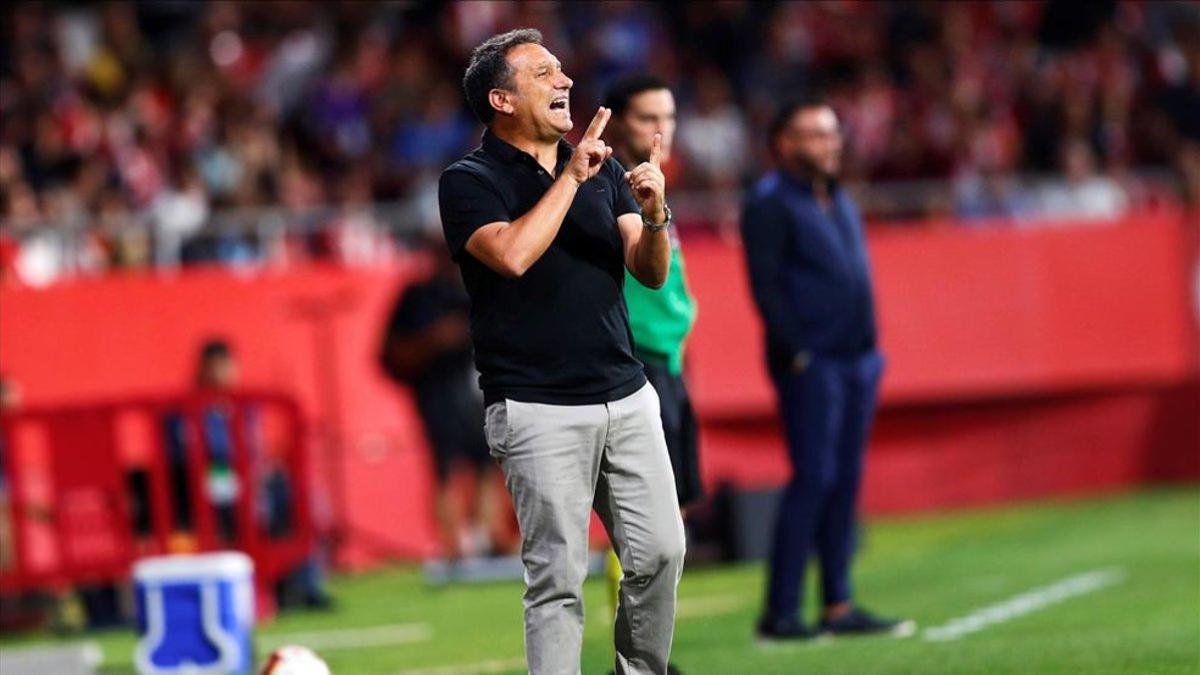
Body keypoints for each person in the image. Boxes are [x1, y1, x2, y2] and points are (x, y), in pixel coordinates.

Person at [438, 29, 685, 675]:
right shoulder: (469, 180)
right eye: (543, 73)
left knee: (661, 551)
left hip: (627, 394)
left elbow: (649, 270)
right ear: (501, 98)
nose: (564, 81)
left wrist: (656, 214)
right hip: (536, 404)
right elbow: (513, 255)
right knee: (558, 579)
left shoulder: (596, 168)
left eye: (561, 69)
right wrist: (573, 178)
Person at [741, 97, 914, 640]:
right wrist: (799, 353)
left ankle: (839, 604)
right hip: (813, 363)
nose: (830, 143)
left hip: (857, 358)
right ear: (785, 144)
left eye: (832, 133)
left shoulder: (836, 197)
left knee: (844, 482)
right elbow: (766, 288)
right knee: (813, 479)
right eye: (815, 134)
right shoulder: (770, 201)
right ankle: (781, 612)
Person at [600, 75, 700, 675]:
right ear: (617, 125)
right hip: (637, 361)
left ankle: (645, 651)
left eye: (668, 116)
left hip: (668, 358)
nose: (659, 131)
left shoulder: (651, 189)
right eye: (645, 118)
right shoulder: (608, 188)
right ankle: (637, 653)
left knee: (667, 516)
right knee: (640, 520)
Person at [379, 238, 512, 559]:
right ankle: (454, 545)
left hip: (481, 389)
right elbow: (391, 354)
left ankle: (488, 538)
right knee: (445, 470)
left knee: (490, 463)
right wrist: (434, 340)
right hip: (437, 396)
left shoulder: (480, 289)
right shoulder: (418, 297)